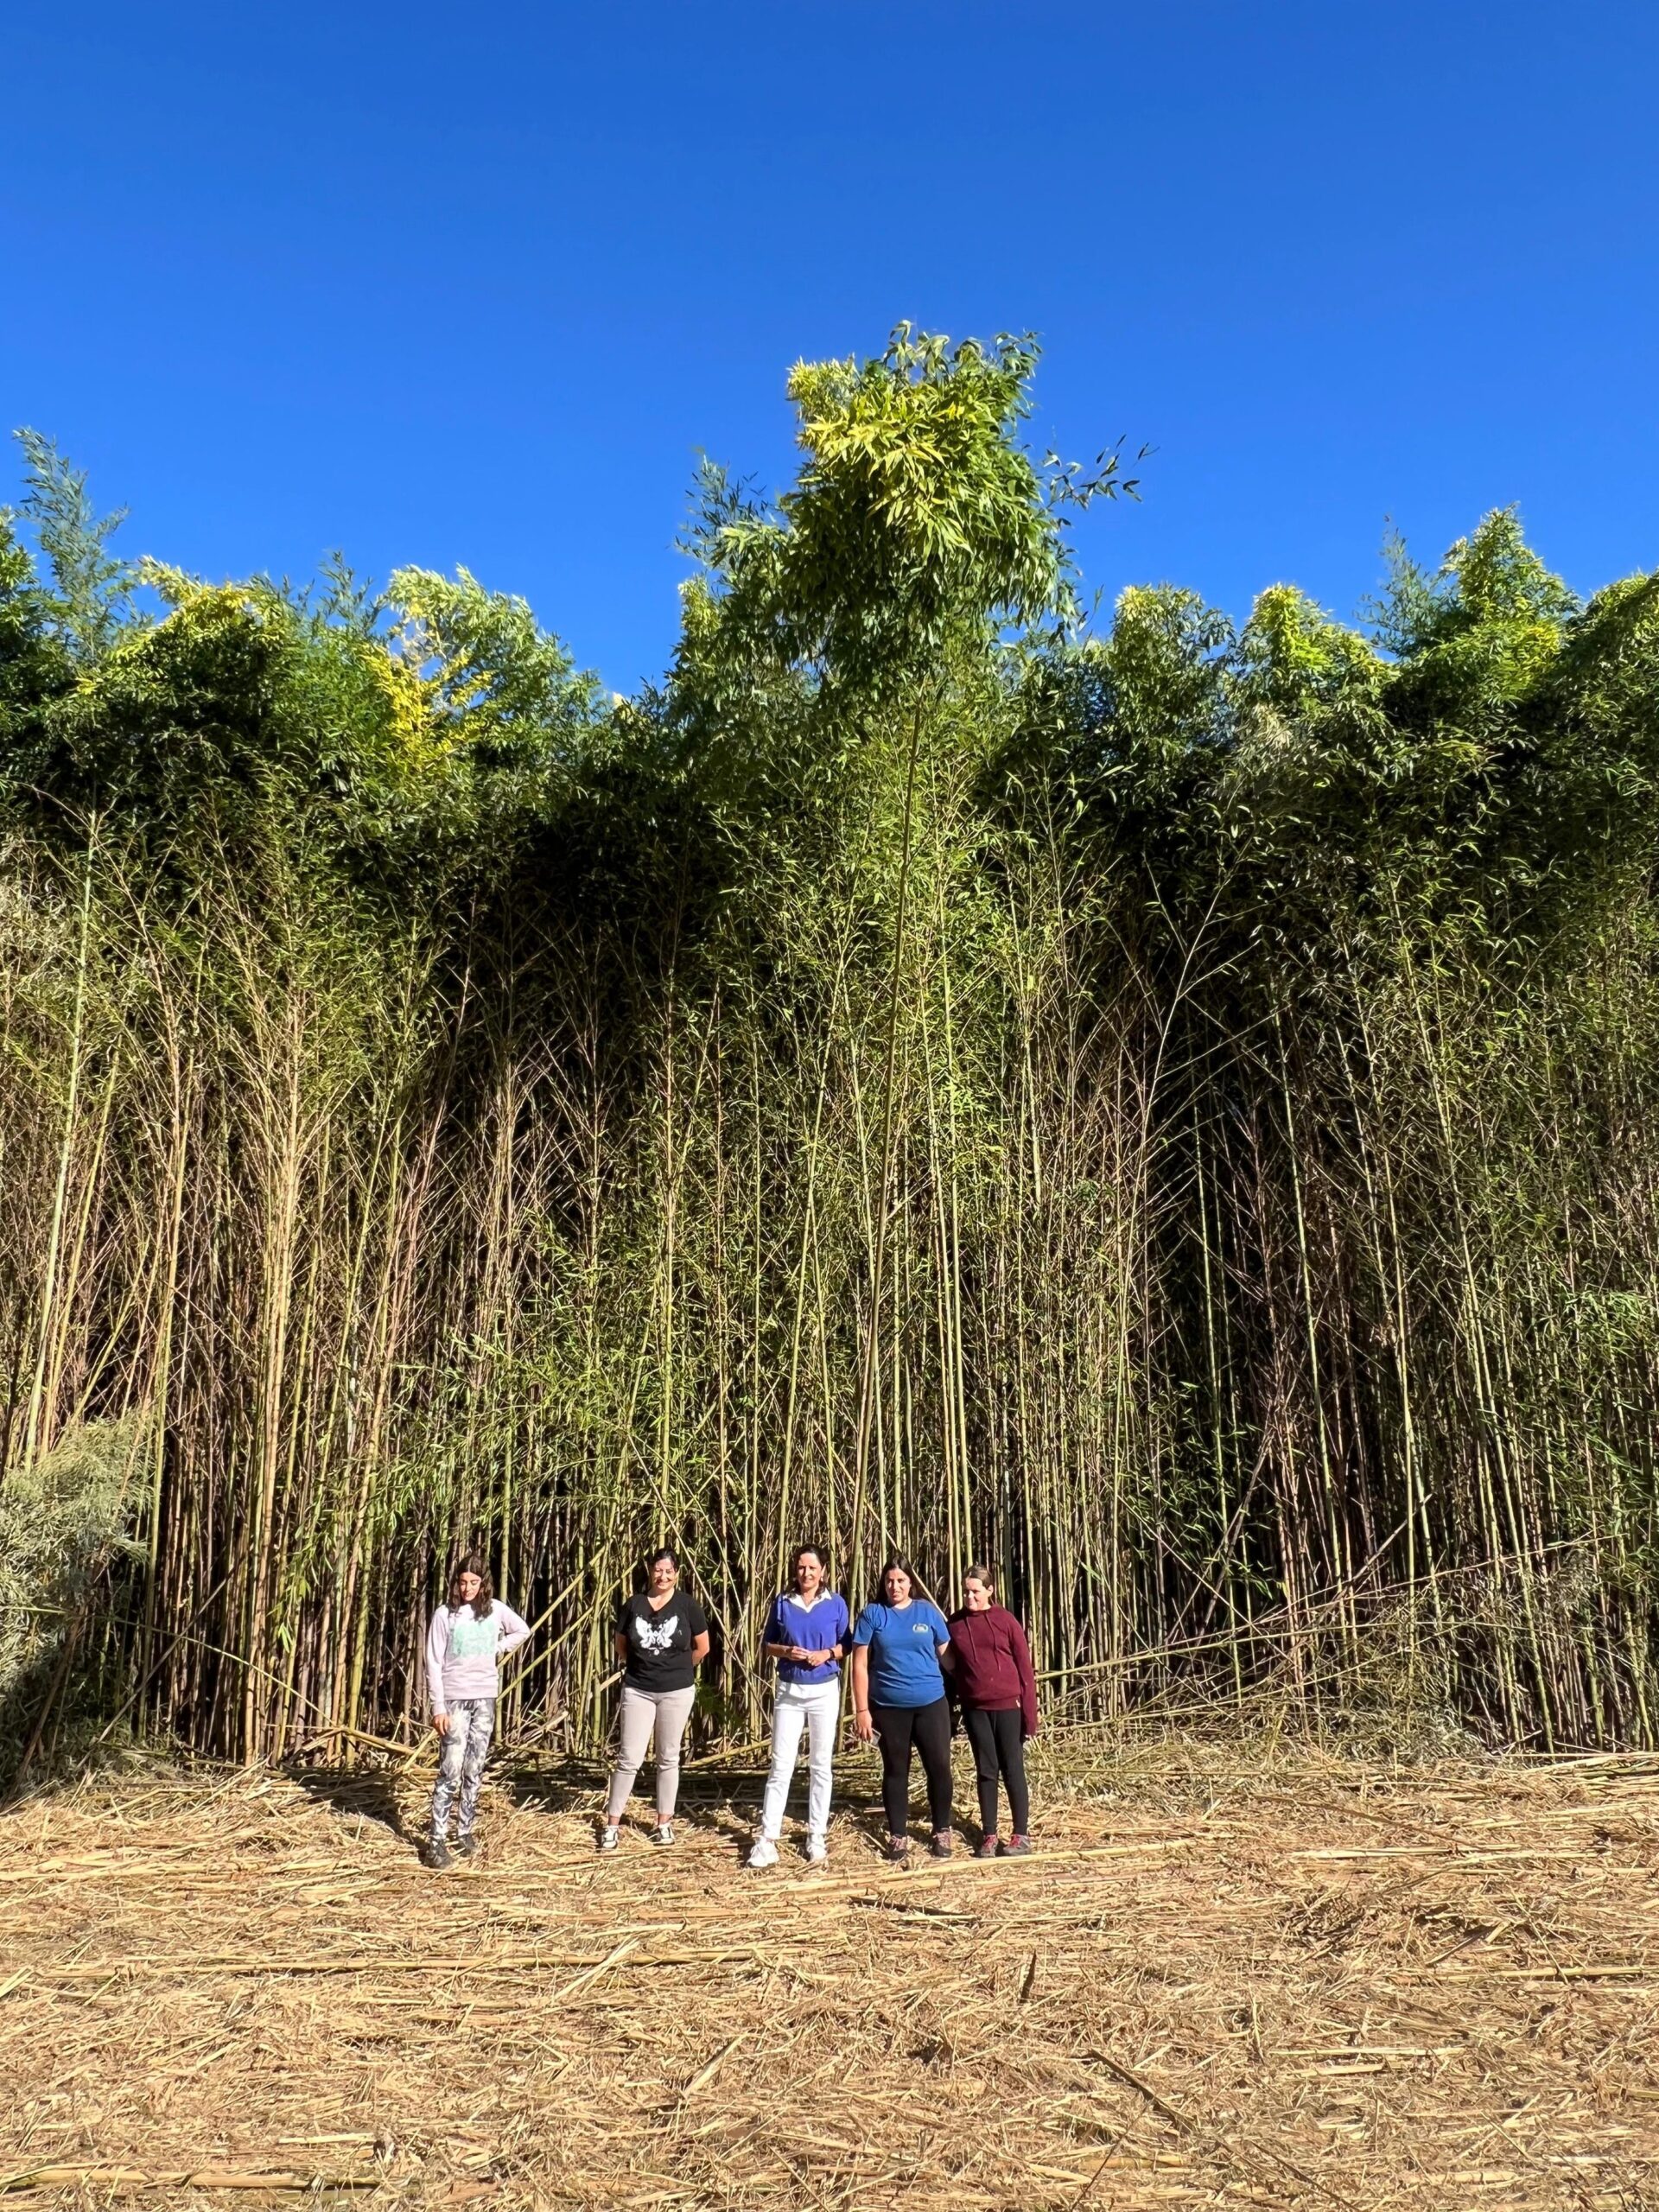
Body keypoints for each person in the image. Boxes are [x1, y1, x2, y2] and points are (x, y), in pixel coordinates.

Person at [424, 1550, 531, 1869]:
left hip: (484, 1696)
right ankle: (436, 1840)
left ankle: (465, 1830)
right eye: (462, 1582)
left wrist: (497, 1648)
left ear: (484, 1583)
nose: (467, 1588)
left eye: (474, 1582)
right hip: (455, 1698)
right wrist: (438, 1706)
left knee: (475, 1766)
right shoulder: (445, 1615)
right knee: (450, 1768)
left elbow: (522, 1630)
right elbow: (433, 1661)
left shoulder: (495, 1611)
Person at [599, 1547, 710, 1850]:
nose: (663, 1576)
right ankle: (612, 1823)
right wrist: (643, 1666)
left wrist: (678, 1670)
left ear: (677, 1573)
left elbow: (703, 1647)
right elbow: (622, 1645)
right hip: (638, 1688)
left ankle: (664, 1823)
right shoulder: (634, 1604)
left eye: (669, 1571)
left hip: (677, 1690)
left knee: (668, 1757)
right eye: (658, 1570)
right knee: (628, 1757)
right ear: (650, 1570)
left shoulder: (688, 1605)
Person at [747, 1543, 849, 1869]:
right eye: (801, 1567)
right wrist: (786, 1652)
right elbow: (768, 1644)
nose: (806, 1573)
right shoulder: (782, 1602)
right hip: (789, 1690)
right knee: (781, 1765)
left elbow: (846, 1643)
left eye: (812, 1568)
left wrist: (827, 1654)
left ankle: (816, 1834)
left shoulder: (835, 1603)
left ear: (824, 1572)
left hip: (824, 1690)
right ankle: (767, 1839)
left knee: (821, 1765)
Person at [849, 1556, 955, 1861]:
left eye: (901, 1580)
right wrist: (862, 1710)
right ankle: (898, 1835)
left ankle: (942, 1829)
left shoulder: (927, 1612)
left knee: (939, 1766)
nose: (894, 1586)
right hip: (888, 1707)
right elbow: (859, 1664)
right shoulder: (873, 1614)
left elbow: (949, 1658)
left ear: (911, 1583)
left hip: (931, 1703)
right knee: (896, 1770)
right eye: (889, 1581)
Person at [948, 1561, 1038, 1857]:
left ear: (990, 1590)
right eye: (965, 1592)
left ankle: (1020, 1834)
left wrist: (1030, 1717)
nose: (970, 1597)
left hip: (1007, 1706)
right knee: (986, 1770)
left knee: (1012, 1768)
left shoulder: (1006, 1621)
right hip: (975, 1708)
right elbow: (950, 1669)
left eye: (975, 1591)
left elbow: (1025, 1670)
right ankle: (988, 1834)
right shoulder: (956, 1625)